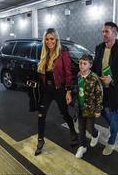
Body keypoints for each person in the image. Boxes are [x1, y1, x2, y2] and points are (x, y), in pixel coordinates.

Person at [35, 28, 78, 156]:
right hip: (46, 91)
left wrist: (68, 90)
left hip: (59, 89)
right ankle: (40, 140)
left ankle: (73, 132)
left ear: (56, 39)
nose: (49, 42)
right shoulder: (44, 53)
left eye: (52, 39)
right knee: (41, 115)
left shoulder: (63, 52)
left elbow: (68, 73)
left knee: (64, 113)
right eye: (47, 39)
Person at [92, 22, 118, 155]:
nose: (103, 34)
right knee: (101, 110)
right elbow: (95, 66)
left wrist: (112, 80)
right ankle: (112, 127)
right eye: (103, 31)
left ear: (115, 33)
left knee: (114, 116)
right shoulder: (99, 47)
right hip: (100, 88)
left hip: (115, 89)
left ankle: (112, 141)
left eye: (106, 32)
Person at [75, 54, 103, 158]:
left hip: (91, 109)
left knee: (89, 128)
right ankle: (82, 147)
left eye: (84, 64)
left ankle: (95, 134)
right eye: (80, 63)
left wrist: (98, 109)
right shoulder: (78, 75)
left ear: (90, 65)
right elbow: (77, 90)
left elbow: (99, 94)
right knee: (81, 129)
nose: (82, 65)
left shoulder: (94, 78)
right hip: (80, 108)